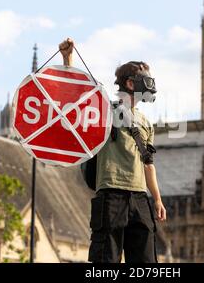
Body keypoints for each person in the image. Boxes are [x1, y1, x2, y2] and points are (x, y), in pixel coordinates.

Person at [59, 38, 166, 263]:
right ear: (130, 83)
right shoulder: (104, 110)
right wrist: (68, 59)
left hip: (139, 198)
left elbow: (149, 165)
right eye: (144, 76)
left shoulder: (145, 122)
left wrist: (157, 199)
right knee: (106, 262)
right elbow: (76, 96)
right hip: (111, 194)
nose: (149, 81)